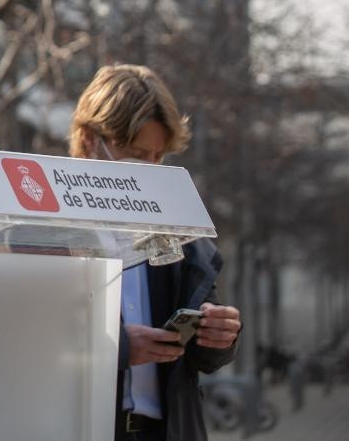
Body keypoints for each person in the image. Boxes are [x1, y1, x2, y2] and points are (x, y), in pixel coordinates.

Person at [69, 64, 242, 441]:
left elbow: (204, 357)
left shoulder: (177, 227)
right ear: (87, 140)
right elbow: (31, 341)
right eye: (134, 153)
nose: (147, 169)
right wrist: (120, 347)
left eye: (156, 156)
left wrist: (220, 335)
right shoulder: (47, 228)